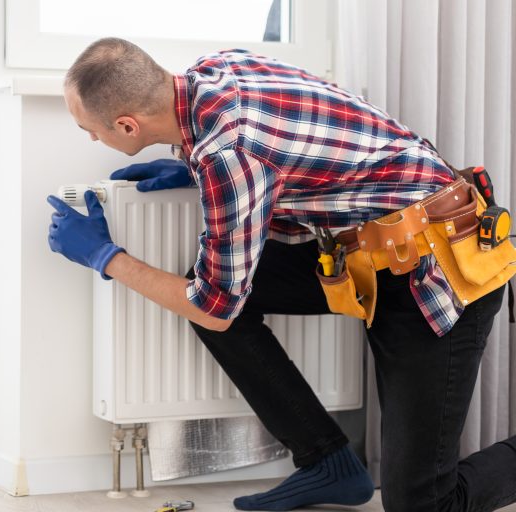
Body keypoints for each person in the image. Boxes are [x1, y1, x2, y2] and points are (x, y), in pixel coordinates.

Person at [46, 37, 516, 512]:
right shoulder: (218, 68)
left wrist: (105, 256)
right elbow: (297, 141)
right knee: (216, 285)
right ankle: (328, 463)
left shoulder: (229, 155)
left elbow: (214, 308)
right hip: (367, 259)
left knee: (424, 504)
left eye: (90, 129)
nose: (91, 138)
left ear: (128, 126)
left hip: (434, 276)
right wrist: (190, 168)